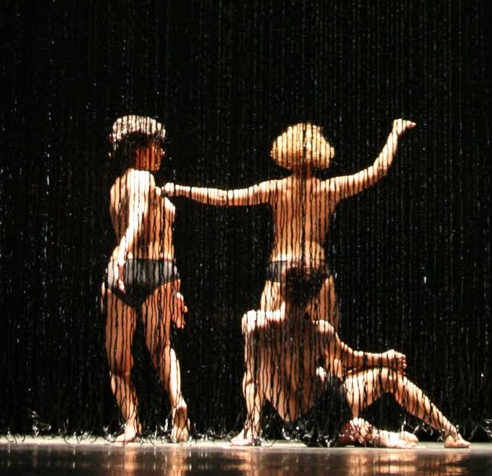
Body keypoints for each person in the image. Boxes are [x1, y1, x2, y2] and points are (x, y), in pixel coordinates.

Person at [165, 118, 415, 326]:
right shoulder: (330, 189)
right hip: (316, 269)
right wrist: (394, 133)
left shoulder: (276, 189)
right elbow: (377, 170)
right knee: (328, 350)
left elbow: (225, 197)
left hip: (281, 269)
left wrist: (181, 189)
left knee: (269, 344)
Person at [230, 260, 468, 448]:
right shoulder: (316, 331)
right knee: (388, 378)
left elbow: (253, 378)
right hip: (328, 408)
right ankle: (450, 432)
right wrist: (384, 358)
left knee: (372, 386)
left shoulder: (255, 324)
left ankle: (369, 432)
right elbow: (349, 358)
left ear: (280, 291)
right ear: (313, 298)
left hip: (307, 415)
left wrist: (253, 425)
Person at [101, 114, 189, 443]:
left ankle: (131, 423)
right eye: (156, 146)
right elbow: (137, 220)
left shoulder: (116, 187)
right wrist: (124, 253)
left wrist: (122, 257)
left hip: (129, 274)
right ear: (138, 149)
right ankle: (177, 403)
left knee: (119, 363)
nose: (161, 152)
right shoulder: (142, 179)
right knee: (161, 348)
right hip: (157, 269)